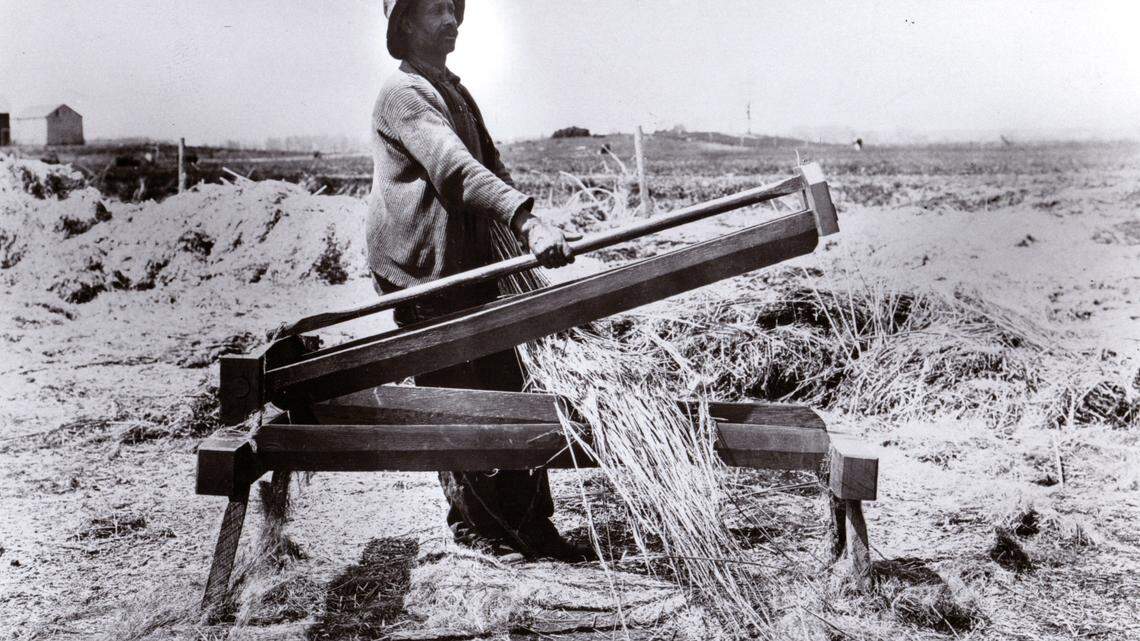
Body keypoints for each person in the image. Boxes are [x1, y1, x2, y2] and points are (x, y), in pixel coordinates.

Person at [370, 0, 589, 562]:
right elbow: (454, 168)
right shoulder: (404, 95)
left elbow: (490, 165)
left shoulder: (455, 91)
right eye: (436, 9)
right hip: (425, 278)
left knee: (512, 393)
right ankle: (477, 530)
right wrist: (526, 217)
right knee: (452, 406)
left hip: (473, 271)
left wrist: (527, 235)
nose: (452, 19)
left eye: (453, 7)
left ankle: (530, 523)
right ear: (405, 24)